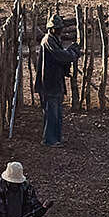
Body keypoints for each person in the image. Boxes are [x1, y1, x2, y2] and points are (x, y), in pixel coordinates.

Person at [37, 15, 81, 146]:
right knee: (52, 113)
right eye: (57, 28)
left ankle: (56, 138)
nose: (60, 30)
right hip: (49, 82)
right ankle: (50, 140)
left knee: (57, 113)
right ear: (52, 29)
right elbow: (61, 56)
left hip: (55, 81)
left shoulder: (54, 40)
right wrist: (73, 53)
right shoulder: (48, 41)